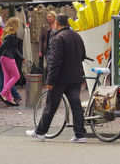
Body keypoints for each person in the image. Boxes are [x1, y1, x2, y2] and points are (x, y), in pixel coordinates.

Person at [27, 14, 87, 142]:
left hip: (60, 78)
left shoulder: (57, 38)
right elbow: (83, 55)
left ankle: (40, 132)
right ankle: (80, 134)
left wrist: (50, 81)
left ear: (57, 24)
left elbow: (54, 62)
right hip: (75, 77)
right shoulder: (76, 36)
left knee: (51, 105)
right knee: (76, 105)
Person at [0, 17, 23, 106]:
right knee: (16, 76)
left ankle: (9, 99)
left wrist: (21, 57)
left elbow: (14, 48)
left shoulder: (9, 35)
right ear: (15, 25)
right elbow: (1, 48)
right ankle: (3, 93)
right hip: (8, 58)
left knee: (7, 78)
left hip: (4, 58)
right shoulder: (11, 36)